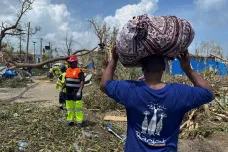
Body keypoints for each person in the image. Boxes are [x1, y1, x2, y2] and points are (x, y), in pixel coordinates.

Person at [100, 46, 215, 152]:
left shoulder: (130, 89)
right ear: (164, 67)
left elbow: (104, 84)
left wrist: (114, 60)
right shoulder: (180, 93)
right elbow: (209, 93)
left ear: (142, 68)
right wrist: (187, 69)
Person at [62, 56, 85, 127]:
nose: (70, 64)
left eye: (71, 62)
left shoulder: (79, 71)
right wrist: (63, 87)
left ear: (75, 62)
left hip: (76, 91)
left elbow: (82, 81)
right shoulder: (68, 70)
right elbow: (66, 80)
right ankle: (70, 121)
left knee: (78, 107)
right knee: (69, 107)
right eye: (69, 62)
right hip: (68, 91)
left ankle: (79, 121)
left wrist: (80, 91)